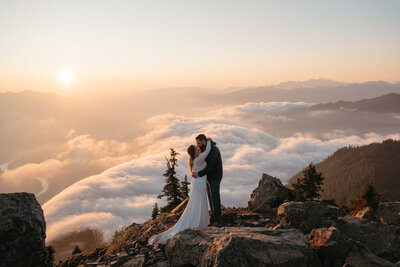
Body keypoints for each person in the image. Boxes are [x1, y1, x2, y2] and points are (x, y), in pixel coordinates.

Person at [148, 139, 212, 245]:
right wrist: (208, 141)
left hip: (199, 183)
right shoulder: (198, 159)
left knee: (198, 203)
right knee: (198, 203)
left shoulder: (194, 160)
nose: (198, 148)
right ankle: (199, 222)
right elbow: (208, 150)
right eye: (197, 148)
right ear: (195, 152)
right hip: (199, 184)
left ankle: (201, 221)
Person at [192, 134, 223, 227]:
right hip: (208, 177)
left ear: (203, 141)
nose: (197, 145)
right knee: (211, 198)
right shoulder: (206, 148)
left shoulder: (214, 150)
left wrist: (199, 174)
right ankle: (214, 218)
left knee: (215, 197)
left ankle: (218, 220)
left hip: (215, 177)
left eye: (198, 143)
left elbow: (211, 167)